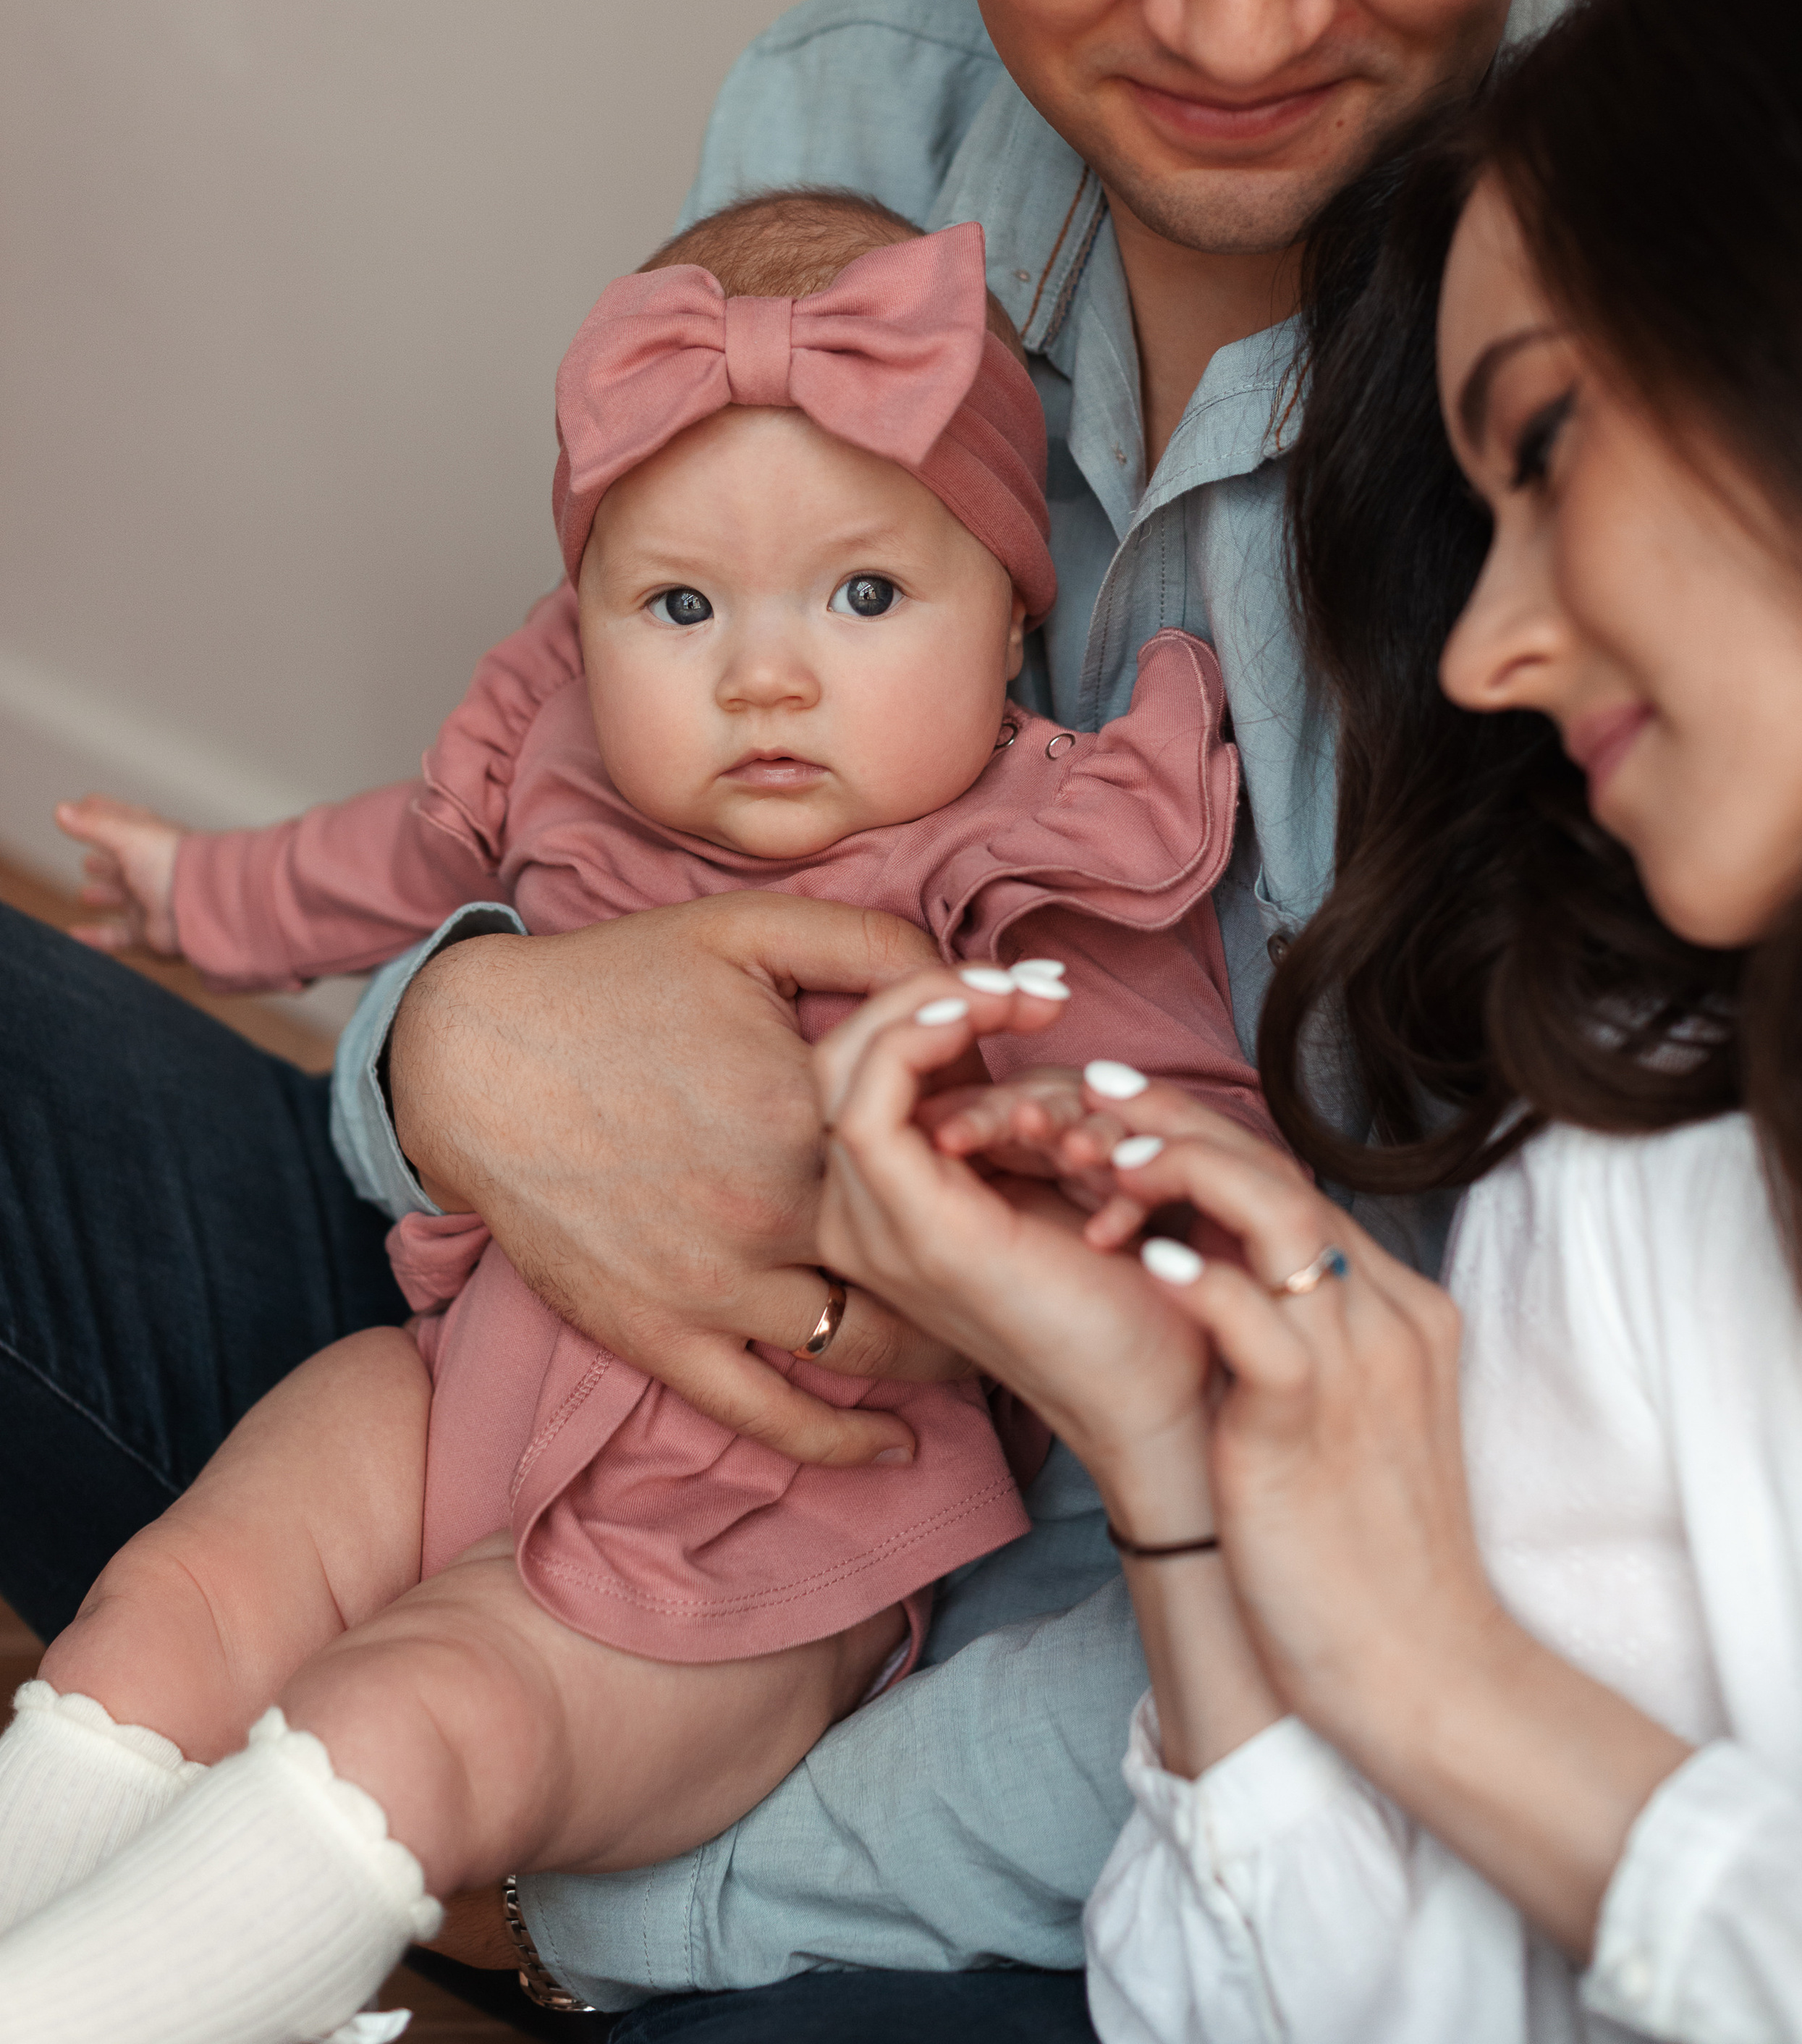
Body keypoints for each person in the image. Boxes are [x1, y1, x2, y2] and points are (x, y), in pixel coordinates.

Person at [0, 0, 1640, 2022]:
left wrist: (612, 1878)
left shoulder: (1664, 394)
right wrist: (454, 1050)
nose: (1235, 17)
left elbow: (1466, 1574)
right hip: (559, 1376)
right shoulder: (840, 135)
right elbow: (557, 794)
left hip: (1109, 1732)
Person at [3, 193, 1269, 2043]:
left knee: (417, 1706)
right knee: (181, 1589)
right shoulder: (569, 750)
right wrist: (204, 894)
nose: (763, 677)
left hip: (758, 1540)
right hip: (468, 1386)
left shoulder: (1032, 866)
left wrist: (1044, 1185)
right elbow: (393, 862)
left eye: (861, 596)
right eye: (680, 605)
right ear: (587, 614)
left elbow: (1164, 1146)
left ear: (1011, 608)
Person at [804, 0, 1802, 2042]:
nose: (1488, 645)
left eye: (1549, 450)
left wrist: (1451, 1687)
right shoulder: (1643, 1136)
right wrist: (1171, 1458)